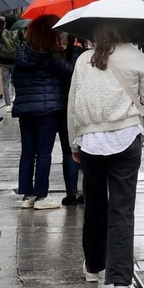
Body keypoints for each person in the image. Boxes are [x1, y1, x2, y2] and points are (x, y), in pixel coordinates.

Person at [68, 22, 144, 288]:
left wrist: (74, 142)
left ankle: (93, 267)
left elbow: (73, 103)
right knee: (122, 208)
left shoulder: (84, 59)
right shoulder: (135, 56)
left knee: (95, 205)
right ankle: (121, 279)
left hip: (90, 141)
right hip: (126, 138)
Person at [12, 15, 74, 209]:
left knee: (27, 152)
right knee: (44, 153)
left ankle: (27, 195)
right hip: (48, 109)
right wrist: (74, 51)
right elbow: (70, 71)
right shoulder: (51, 54)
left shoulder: (22, 52)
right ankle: (42, 196)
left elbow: (16, 80)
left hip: (25, 108)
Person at [57, 34, 85, 205]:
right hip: (80, 107)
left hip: (64, 107)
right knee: (84, 151)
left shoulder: (57, 55)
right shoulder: (88, 57)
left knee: (68, 151)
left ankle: (72, 193)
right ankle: (81, 192)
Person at [0, 15, 21, 109]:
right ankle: (15, 99)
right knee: (15, 81)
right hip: (15, 60)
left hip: (4, 60)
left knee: (5, 83)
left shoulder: (1, 33)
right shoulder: (18, 33)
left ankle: (8, 104)